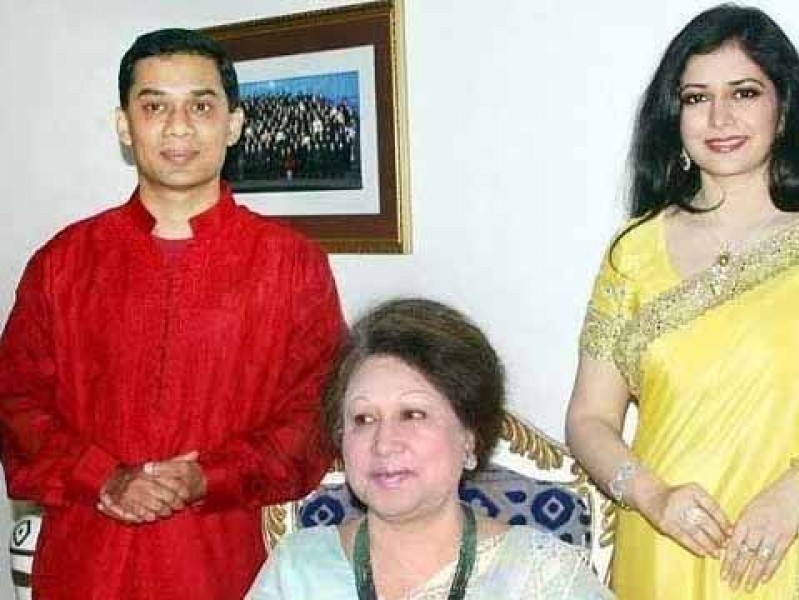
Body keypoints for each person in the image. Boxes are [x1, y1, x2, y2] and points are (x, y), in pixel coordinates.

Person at [566, 5, 799, 599]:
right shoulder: (633, 253)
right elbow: (589, 419)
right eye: (697, 98)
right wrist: (654, 497)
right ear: (674, 116)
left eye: (744, 92)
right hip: (667, 548)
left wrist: (798, 495)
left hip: (791, 549)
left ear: (783, 107)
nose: (719, 117)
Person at [0, 28, 344, 599]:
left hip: (222, 564)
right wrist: (103, 477)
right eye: (154, 106)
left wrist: (207, 476)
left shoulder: (291, 265)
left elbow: (315, 412)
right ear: (124, 126)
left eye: (201, 107)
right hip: (86, 563)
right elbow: (16, 400)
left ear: (233, 124)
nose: (178, 127)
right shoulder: (63, 263)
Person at [247, 298, 614, 599]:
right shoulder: (299, 571)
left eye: (412, 414)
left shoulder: (540, 577)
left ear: (469, 436)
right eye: (363, 419)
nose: (384, 443)